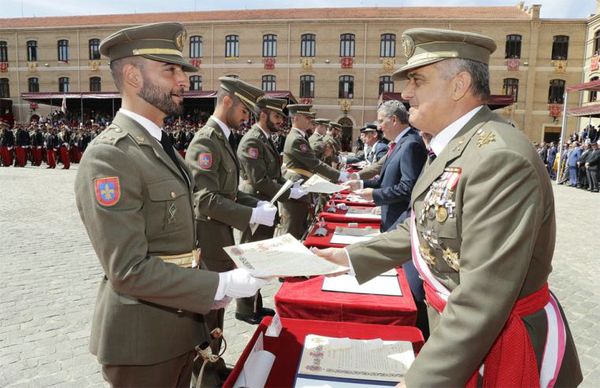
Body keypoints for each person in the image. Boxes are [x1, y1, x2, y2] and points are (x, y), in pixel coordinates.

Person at [316, 28, 581, 387]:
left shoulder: (498, 157)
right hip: (464, 342)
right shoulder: (458, 146)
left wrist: (416, 382)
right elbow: (427, 228)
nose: (406, 93)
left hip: (494, 350)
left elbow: (480, 300)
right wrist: (348, 258)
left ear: (459, 85)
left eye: (417, 80)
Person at [74, 22, 267, 388]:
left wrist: (212, 287)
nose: (184, 81)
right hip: (142, 343)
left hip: (180, 328)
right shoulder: (110, 156)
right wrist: (219, 283)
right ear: (132, 75)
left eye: (182, 70)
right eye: (170, 69)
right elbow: (127, 269)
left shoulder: (161, 147)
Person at [184, 77, 277, 366]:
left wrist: (257, 204)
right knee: (209, 309)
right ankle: (203, 370)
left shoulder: (221, 139)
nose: (246, 117)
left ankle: (212, 366)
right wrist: (251, 215)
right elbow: (204, 199)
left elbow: (230, 192)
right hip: (207, 235)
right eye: (244, 110)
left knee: (217, 308)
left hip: (219, 233)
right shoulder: (206, 141)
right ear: (227, 101)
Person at [345, 100, 428, 337]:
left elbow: (409, 187)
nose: (379, 126)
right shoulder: (400, 143)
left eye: (381, 120)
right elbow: (386, 179)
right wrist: (362, 184)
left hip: (402, 221)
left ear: (393, 120)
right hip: (392, 218)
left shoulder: (410, 144)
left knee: (413, 291)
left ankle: (418, 335)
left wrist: (375, 195)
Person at [236, 96, 308, 323]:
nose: (280, 121)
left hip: (266, 203)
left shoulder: (265, 139)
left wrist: (289, 185)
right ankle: (245, 309)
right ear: (264, 115)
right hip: (255, 204)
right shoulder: (253, 140)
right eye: (277, 116)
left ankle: (256, 304)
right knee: (251, 256)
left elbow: (274, 176)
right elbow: (259, 180)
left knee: (261, 258)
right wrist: (289, 192)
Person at [279, 104, 348, 238]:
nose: (310, 120)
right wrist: (340, 175)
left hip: (301, 184)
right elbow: (315, 163)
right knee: (292, 228)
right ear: (297, 118)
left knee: (300, 225)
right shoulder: (296, 139)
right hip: (296, 186)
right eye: (307, 117)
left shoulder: (300, 136)